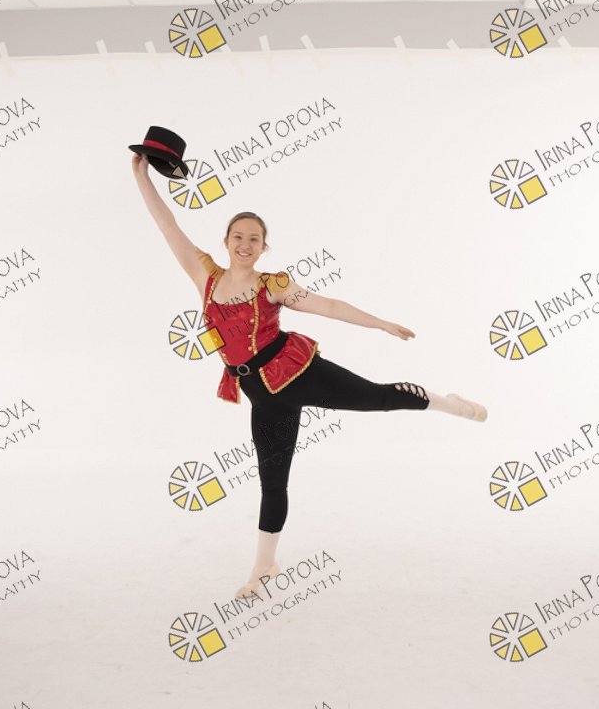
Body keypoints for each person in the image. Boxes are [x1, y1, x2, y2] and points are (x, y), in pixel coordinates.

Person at [132, 152, 487, 597]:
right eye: (238, 236)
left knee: (377, 398)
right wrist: (142, 175)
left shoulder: (273, 285)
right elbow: (167, 225)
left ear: (264, 247)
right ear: (225, 241)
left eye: (255, 239)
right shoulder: (203, 274)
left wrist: (379, 323)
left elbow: (329, 306)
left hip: (299, 371)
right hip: (263, 395)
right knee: (272, 481)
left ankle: (446, 402)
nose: (245, 244)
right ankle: (264, 566)